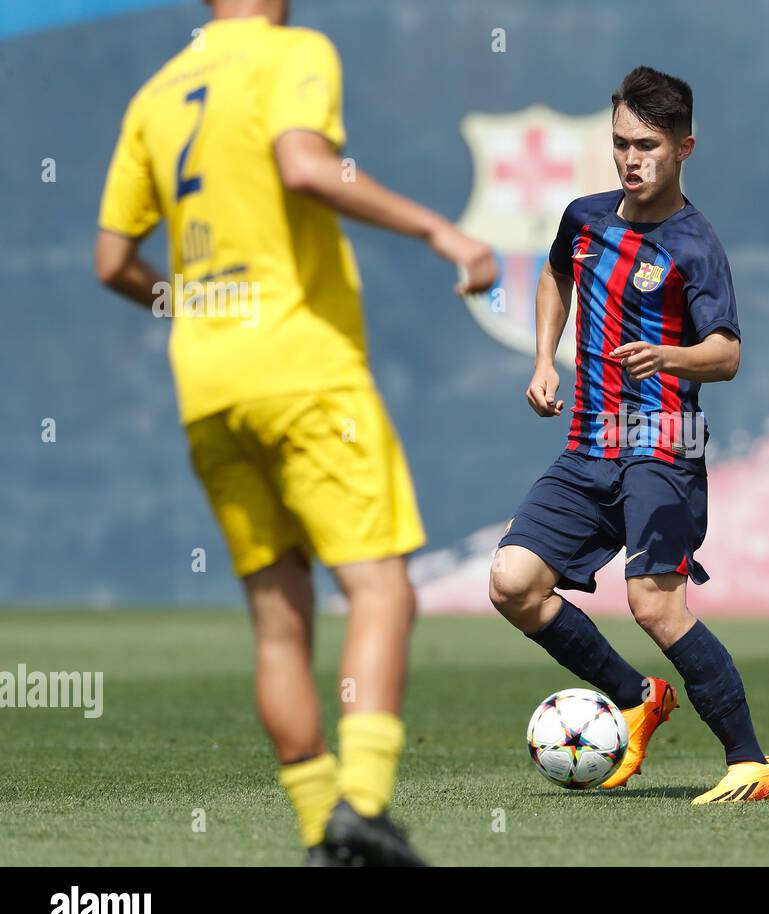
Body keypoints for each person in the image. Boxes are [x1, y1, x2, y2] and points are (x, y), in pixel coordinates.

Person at [94, 0, 496, 864]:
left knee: (280, 624)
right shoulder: (293, 50)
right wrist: (439, 228)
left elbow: (111, 260)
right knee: (383, 589)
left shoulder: (157, 92)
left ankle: (324, 832)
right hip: (302, 371)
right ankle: (363, 804)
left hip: (207, 384)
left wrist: (193, 303)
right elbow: (305, 166)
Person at [489, 66, 769, 804]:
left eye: (647, 145)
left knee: (654, 604)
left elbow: (728, 355)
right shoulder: (585, 218)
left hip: (663, 443)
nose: (630, 159)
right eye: (620, 143)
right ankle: (635, 695)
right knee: (512, 584)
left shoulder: (695, 244)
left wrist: (670, 355)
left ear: (685, 147)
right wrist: (542, 360)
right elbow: (555, 276)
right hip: (589, 444)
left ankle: (752, 761)